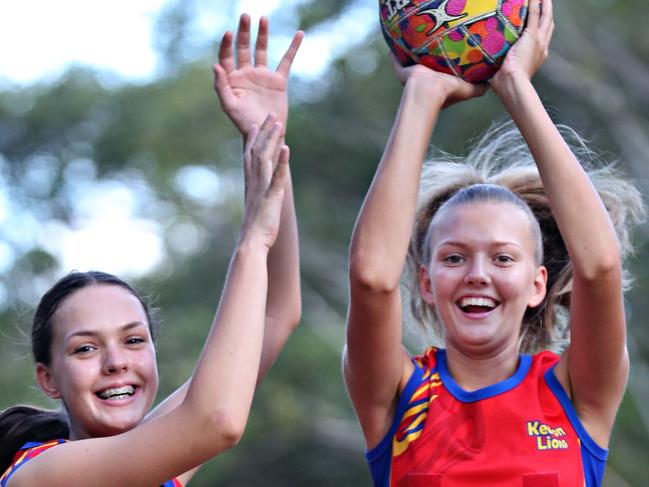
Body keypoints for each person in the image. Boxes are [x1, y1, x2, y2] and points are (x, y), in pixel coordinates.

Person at [343, 0, 644, 486]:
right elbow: (371, 279)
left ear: (536, 284)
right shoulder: (399, 393)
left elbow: (599, 269)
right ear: (426, 281)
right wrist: (422, 91)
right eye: (454, 257)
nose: (477, 273)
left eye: (503, 257)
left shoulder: (574, 392)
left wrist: (517, 87)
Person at [0, 14, 303, 486]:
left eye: (134, 339)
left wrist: (268, 138)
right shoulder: (41, 474)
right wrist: (250, 241)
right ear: (48, 379)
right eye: (85, 348)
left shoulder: (157, 467)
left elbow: (274, 314)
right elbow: (216, 421)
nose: (117, 361)